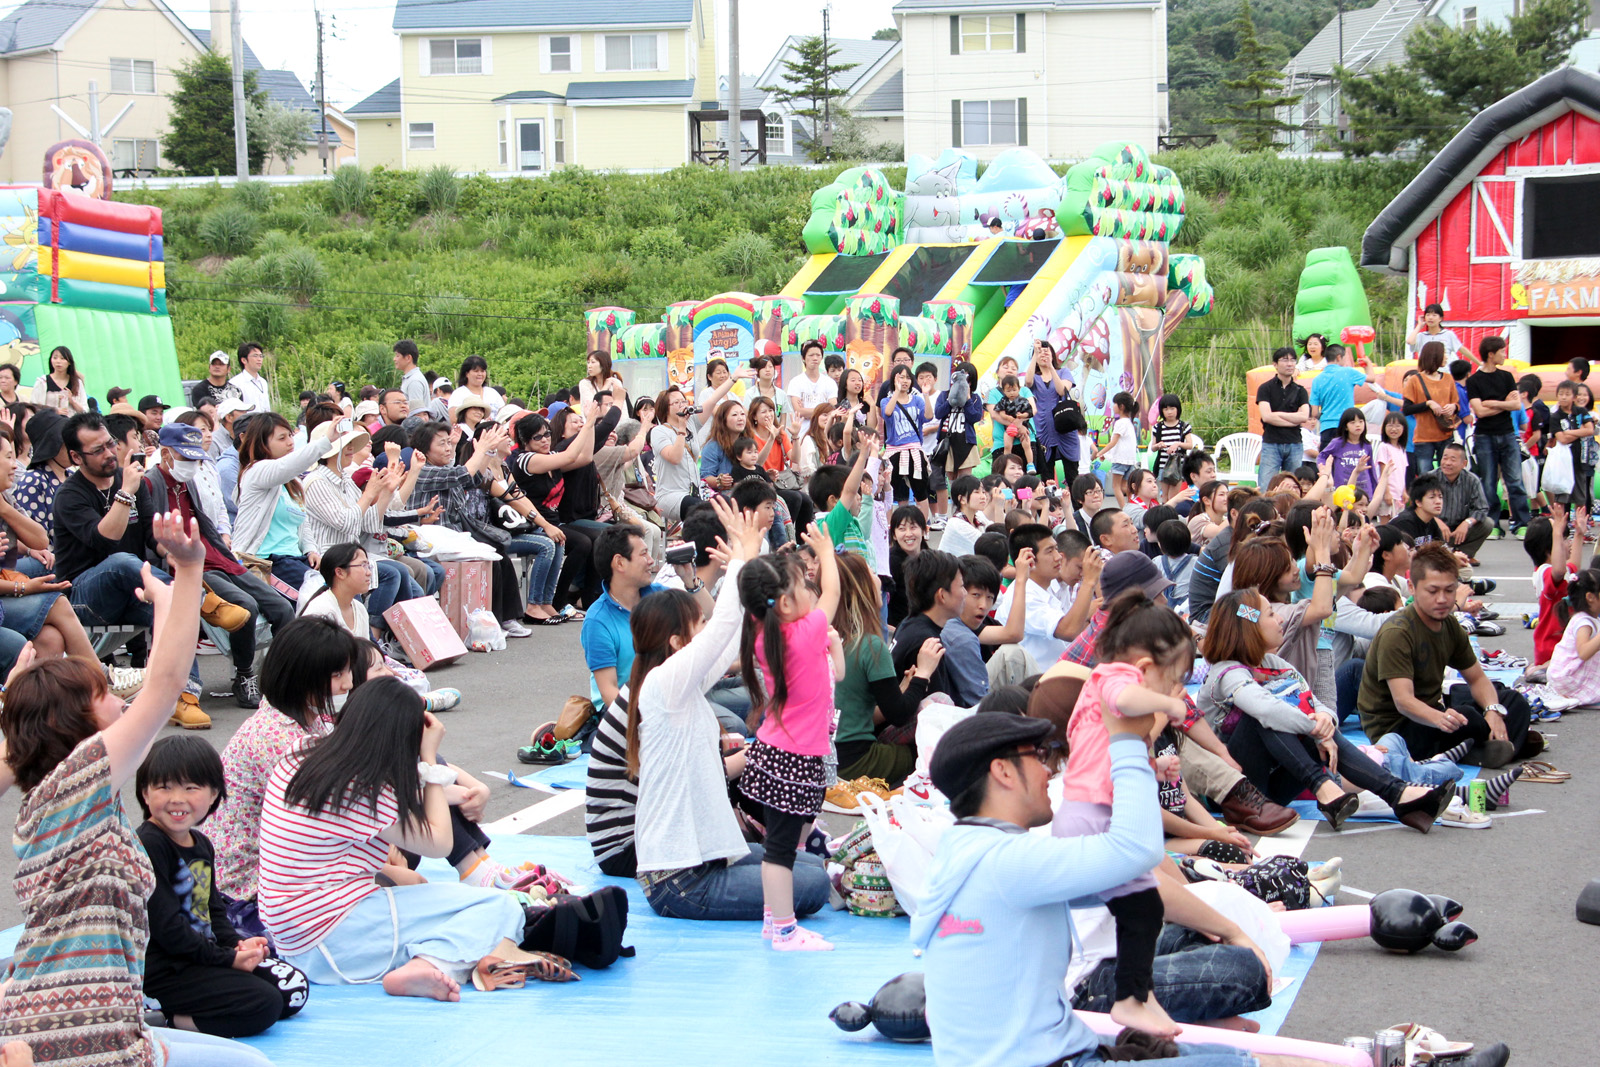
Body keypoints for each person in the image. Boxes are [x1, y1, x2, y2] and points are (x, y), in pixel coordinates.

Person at [0, 513, 274, 1066]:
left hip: (98, 1019)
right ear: (72, 722)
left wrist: (167, 594)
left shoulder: (61, 800)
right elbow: (165, 683)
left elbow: (159, 678)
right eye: (103, 692)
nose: (119, 702)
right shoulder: (74, 784)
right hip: (68, 1034)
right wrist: (191, 567)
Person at [258, 677, 574, 999]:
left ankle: (445, 956)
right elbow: (439, 843)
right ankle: (434, 963)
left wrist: (456, 789)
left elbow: (410, 797)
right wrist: (430, 759)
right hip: (336, 940)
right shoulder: (363, 792)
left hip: (291, 941)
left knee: (431, 896)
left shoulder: (303, 755)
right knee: (501, 908)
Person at [630, 498, 831, 921]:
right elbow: (723, 625)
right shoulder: (665, 684)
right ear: (675, 642)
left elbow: (728, 636)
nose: (704, 631)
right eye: (694, 626)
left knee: (812, 867)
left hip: (708, 856)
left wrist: (750, 560)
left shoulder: (677, 686)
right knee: (813, 884)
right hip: (680, 881)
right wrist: (740, 557)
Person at [1202, 588, 1456, 832]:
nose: (1280, 619)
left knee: (1307, 719)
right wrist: (1315, 728)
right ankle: (1331, 787)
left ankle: (1395, 793)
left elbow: (1313, 700)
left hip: (1272, 786)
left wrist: (1324, 720)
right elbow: (1266, 710)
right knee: (1264, 717)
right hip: (1231, 792)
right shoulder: (1228, 672)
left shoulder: (1274, 663)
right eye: (1270, 614)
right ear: (1249, 626)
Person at [1058, 590, 1196, 1036]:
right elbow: (1126, 700)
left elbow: (1107, 756)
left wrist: (1153, 770)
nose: (1176, 693)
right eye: (1172, 680)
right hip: (1093, 818)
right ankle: (1130, 997)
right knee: (1140, 909)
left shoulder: (1100, 685)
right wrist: (1167, 706)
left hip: (1095, 812)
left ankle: (1137, 993)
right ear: (1143, 669)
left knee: (1144, 909)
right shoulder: (1111, 679)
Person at [135, 736, 309, 1038]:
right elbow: (168, 929)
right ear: (144, 793)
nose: (177, 798)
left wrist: (237, 945)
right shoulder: (148, 844)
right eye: (164, 787)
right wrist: (228, 959)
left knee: (292, 989)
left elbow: (213, 910)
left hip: (201, 958)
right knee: (264, 1005)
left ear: (214, 793)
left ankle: (203, 1002)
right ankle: (164, 1018)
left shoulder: (201, 844)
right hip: (164, 971)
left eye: (191, 788)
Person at [52, 413, 211, 728]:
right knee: (121, 561)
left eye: (110, 444)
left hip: (133, 589)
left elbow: (153, 535)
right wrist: (126, 492)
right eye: (97, 450)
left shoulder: (131, 483)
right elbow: (104, 538)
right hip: (85, 599)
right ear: (75, 457)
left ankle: (184, 697)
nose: (110, 453)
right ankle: (206, 601)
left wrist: (176, 551)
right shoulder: (70, 496)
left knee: (173, 609)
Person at [206, 618, 358, 937]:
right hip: (245, 890)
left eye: (348, 671)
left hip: (271, 871)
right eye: (337, 674)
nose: (348, 683)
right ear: (303, 677)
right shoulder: (277, 739)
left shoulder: (304, 716)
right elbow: (325, 821)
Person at [736, 523, 844, 951]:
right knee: (780, 851)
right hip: (792, 756)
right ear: (782, 603)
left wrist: (746, 556)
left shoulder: (764, 632)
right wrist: (827, 553)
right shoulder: (801, 635)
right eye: (803, 584)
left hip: (778, 751)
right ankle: (783, 928)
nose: (812, 590)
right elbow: (834, 596)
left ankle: (774, 921)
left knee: (781, 847)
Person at [145, 423, 295, 709]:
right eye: (185, 458)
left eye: (195, 458)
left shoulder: (187, 482)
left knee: (282, 607)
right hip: (190, 567)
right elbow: (149, 536)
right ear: (165, 454)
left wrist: (226, 548)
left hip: (218, 556)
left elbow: (206, 524)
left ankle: (282, 676)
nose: (192, 465)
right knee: (245, 606)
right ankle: (244, 675)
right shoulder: (150, 483)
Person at [1357, 542, 1532, 764]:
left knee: (1512, 700)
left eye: (1449, 590)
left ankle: (1481, 748)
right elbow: (1404, 702)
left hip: (1434, 714)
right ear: (1412, 587)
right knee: (1469, 717)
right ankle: (1491, 746)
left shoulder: (1449, 625)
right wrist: (1442, 718)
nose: (1442, 599)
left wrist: (1493, 711)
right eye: (1433, 591)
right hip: (1398, 730)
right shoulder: (1398, 632)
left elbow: (1477, 678)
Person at [300, 417, 428, 635]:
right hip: (331, 557)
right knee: (394, 572)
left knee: (409, 576)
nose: (352, 450)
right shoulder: (316, 482)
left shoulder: (345, 480)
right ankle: (377, 639)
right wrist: (370, 494)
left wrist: (386, 491)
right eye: (346, 445)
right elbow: (346, 523)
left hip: (351, 555)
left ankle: (404, 639)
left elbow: (369, 524)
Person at [0, 425, 100, 677]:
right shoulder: (36, 479)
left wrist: (4, 509)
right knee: (57, 603)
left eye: (14, 455)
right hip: (5, 591)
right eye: (8, 456)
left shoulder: (6, 498)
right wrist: (24, 588)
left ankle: (55, 709)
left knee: (51, 639)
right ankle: (99, 681)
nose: (15, 465)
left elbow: (39, 540)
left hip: (6, 582)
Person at [832, 551, 929, 786]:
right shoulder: (871, 645)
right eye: (872, 572)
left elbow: (857, 713)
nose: (879, 578)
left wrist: (902, 687)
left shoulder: (830, 636)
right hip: (856, 761)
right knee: (926, 753)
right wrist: (923, 675)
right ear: (862, 587)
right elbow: (898, 714)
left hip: (827, 755)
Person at [233, 412, 331, 591]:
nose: (290, 442)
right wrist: (327, 440)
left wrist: (311, 549)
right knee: (322, 596)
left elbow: (302, 522)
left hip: (295, 559)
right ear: (263, 443)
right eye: (281, 438)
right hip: (266, 562)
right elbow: (286, 466)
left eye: (290, 435)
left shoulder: (293, 482)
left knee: (344, 590)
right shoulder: (256, 471)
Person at [582, 524, 674, 709]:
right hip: (622, 713)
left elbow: (706, 621)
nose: (651, 561)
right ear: (620, 563)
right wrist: (650, 721)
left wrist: (689, 580)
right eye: (643, 554)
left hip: (666, 700)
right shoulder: (598, 620)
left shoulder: (660, 596)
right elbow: (609, 691)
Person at [996, 523, 1102, 665]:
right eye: (1049, 551)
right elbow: (1068, 631)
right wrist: (1089, 582)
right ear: (1029, 559)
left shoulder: (1053, 586)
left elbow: (1074, 631)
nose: (1058, 557)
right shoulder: (1025, 595)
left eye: (1056, 549)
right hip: (1035, 682)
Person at [1466, 335, 1531, 537]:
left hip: (1508, 434)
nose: (1505, 354)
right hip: (1484, 435)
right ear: (1491, 354)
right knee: (1488, 481)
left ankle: (1521, 523)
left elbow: (1515, 405)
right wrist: (1502, 403)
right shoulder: (1474, 380)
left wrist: (1493, 403)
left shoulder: (1507, 377)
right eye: (1502, 351)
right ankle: (1492, 524)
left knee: (1515, 480)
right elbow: (1480, 412)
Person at [1023, 339, 1079, 485]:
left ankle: (1076, 506)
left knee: (1072, 475)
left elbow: (1062, 390)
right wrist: (1035, 355)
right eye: (1040, 352)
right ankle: (1049, 507)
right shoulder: (1034, 377)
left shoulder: (1064, 372)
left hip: (1064, 430)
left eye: (1046, 352)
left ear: (1053, 355)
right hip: (1043, 430)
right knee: (1047, 476)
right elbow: (1027, 383)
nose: (1043, 354)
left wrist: (1051, 368)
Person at [880, 362, 932, 519]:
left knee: (920, 491)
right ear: (893, 380)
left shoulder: (917, 400)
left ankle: (923, 526)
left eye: (908, 378)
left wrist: (926, 395)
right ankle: (890, 527)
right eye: (901, 377)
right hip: (894, 451)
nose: (904, 381)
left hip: (914, 450)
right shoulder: (885, 401)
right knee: (895, 492)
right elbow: (887, 413)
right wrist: (896, 392)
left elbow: (929, 416)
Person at [1255, 347, 1309, 488]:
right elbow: (1266, 417)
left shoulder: (1300, 390)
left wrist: (1278, 415)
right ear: (1275, 364)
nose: (1290, 364)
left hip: (1295, 443)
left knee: (1294, 487)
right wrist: (1293, 420)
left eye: (1292, 360)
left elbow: (1304, 416)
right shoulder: (1265, 388)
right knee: (1266, 486)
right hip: (1272, 442)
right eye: (1285, 360)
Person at [1401, 341, 1458, 472]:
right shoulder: (1415, 380)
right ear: (1435, 355)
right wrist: (1428, 404)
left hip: (1446, 433)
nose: (1446, 357)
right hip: (1424, 436)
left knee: (1448, 473)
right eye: (1444, 353)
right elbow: (1407, 409)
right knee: (1425, 474)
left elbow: (1457, 404)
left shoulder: (1448, 378)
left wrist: (1453, 407)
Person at [1434, 442, 1494, 564]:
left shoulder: (1472, 480)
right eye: (1445, 458)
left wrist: (1466, 523)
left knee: (1487, 523)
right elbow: (1417, 507)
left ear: (1464, 464)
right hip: (1436, 528)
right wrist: (1436, 521)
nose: (1447, 463)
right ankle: (1441, 554)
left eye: (1453, 459)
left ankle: (1463, 553)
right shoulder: (1430, 478)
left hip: (1459, 530)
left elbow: (1481, 508)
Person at [1308, 345, 1379, 447]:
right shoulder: (1348, 372)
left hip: (1326, 427)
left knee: (1328, 461)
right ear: (1338, 357)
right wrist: (1367, 364)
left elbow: (1314, 412)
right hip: (1347, 425)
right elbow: (1372, 379)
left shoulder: (1317, 380)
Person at [1548, 568, 1600, 703]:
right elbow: (1583, 652)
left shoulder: (1588, 619)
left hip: (1566, 677)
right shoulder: (1584, 622)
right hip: (1570, 680)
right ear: (1590, 597)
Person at [788, 340, 835, 439]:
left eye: (818, 355)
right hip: (803, 435)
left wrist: (808, 411)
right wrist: (823, 411)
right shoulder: (796, 382)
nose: (815, 358)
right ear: (803, 358)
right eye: (811, 355)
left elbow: (833, 409)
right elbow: (798, 412)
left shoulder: (829, 382)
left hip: (825, 435)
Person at [992, 374, 1037, 471]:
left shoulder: (1023, 401)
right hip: (1009, 428)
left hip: (1023, 427)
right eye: (1008, 391)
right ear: (1004, 391)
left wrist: (1022, 416)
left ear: (1019, 389)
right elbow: (1000, 412)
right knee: (1007, 445)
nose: (1011, 393)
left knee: (1026, 444)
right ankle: (1006, 464)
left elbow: (1030, 412)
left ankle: (1030, 464)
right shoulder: (1003, 401)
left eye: (1014, 390)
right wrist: (1008, 417)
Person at [1406, 302, 1472, 365]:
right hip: (1426, 373)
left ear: (1440, 318)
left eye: (1434, 315)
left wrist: (1479, 363)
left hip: (1445, 372)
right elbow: (1409, 341)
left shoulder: (1448, 334)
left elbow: (1461, 349)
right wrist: (1419, 325)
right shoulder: (1421, 336)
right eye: (1428, 315)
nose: (1430, 318)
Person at [30, 344, 89, 414]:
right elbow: (34, 406)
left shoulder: (77, 382)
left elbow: (85, 411)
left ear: (69, 362)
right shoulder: (43, 382)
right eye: (55, 358)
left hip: (71, 422)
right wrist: (54, 411)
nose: (58, 361)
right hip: (49, 423)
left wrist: (72, 401)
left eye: (62, 358)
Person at [941, 474, 989, 558]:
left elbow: (997, 531)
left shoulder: (978, 517)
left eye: (983, 492)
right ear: (962, 499)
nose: (983, 497)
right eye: (977, 492)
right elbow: (988, 545)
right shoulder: (956, 523)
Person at [229, 342, 271, 416]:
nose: (259, 359)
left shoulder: (263, 382)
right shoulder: (235, 383)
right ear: (244, 360)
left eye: (261, 356)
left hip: (265, 424)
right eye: (255, 356)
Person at [392, 339, 431, 414]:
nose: (394, 359)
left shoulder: (414, 381)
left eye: (397, 356)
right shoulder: (411, 378)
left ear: (408, 358)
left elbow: (416, 411)